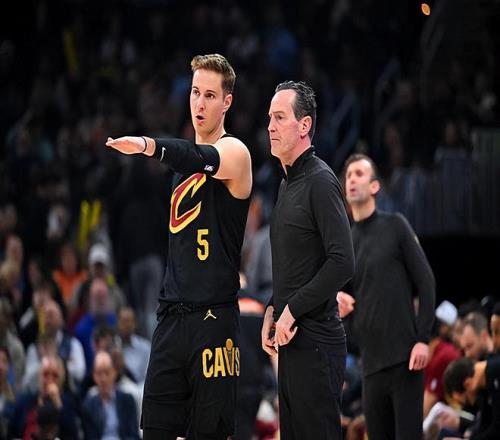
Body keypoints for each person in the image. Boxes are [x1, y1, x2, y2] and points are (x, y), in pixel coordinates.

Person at [106, 53, 252, 440]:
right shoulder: (182, 168)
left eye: (209, 95)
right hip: (171, 317)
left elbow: (200, 157)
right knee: (154, 430)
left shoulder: (236, 153)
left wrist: (147, 144)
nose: (199, 103)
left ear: (227, 102)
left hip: (214, 321)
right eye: (194, 92)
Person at [261, 80, 354, 440]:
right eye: (269, 117)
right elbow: (297, 266)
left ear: (304, 126)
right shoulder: (286, 184)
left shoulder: (321, 181)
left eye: (279, 117)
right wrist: (273, 308)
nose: (270, 126)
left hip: (316, 343)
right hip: (292, 341)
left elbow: (342, 262)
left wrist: (292, 309)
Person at [337, 153, 436, 440]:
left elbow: (426, 282)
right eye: (348, 175)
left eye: (359, 174)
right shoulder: (346, 242)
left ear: (374, 186)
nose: (351, 179)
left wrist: (423, 338)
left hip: (405, 359)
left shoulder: (395, 225)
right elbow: (346, 299)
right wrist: (340, 303)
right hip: (370, 365)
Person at [81, 350, 140, 440]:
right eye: (99, 373)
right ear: (94, 376)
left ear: (114, 372)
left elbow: (134, 435)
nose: (103, 378)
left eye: (107, 372)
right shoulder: (88, 406)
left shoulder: (127, 400)